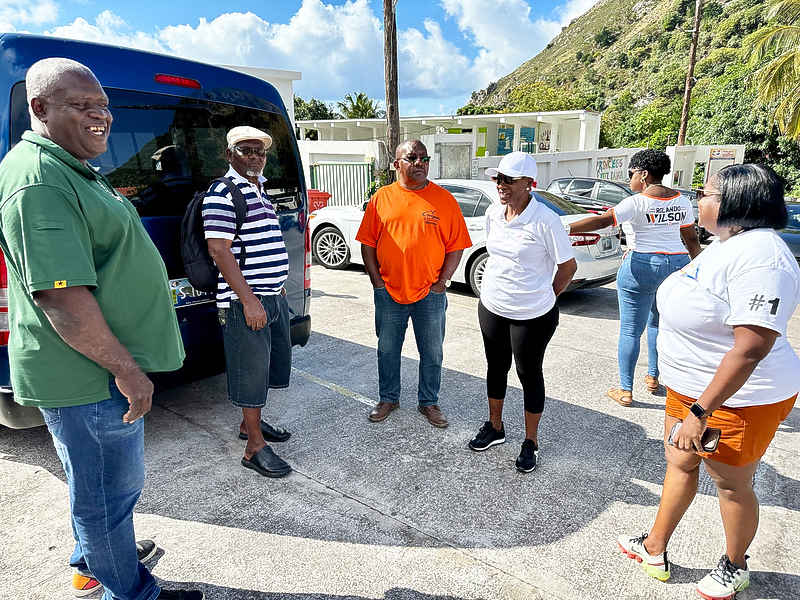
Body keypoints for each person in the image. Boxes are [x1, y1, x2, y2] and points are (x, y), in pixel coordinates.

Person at [0, 58, 202, 599]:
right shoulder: (39, 180)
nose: (100, 117)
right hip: (89, 377)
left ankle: (91, 561)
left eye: (103, 106)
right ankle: (131, 592)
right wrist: (130, 373)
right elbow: (62, 296)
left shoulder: (69, 166)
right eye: (81, 105)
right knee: (109, 495)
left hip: (94, 374)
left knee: (97, 488)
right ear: (39, 108)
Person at [617, 164, 799, 600]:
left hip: (735, 399)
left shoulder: (765, 258)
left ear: (736, 202)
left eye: (706, 192)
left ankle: (735, 564)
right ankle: (655, 545)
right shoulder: (728, 243)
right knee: (679, 463)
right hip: (689, 387)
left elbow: (751, 348)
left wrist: (702, 411)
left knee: (731, 485)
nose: (698, 199)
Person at [467, 152, 577, 473]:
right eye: (497, 178)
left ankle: (531, 441)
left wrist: (547, 295)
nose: (500, 185)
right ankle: (496, 427)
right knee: (495, 367)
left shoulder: (545, 220)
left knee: (529, 374)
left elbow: (568, 266)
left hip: (532, 314)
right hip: (492, 306)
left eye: (508, 180)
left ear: (529, 184)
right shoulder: (493, 213)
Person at [568, 149, 701, 406]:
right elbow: (691, 239)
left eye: (631, 174)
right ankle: (653, 378)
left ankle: (626, 390)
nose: (629, 179)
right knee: (657, 324)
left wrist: (565, 227)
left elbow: (604, 221)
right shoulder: (682, 201)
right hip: (676, 264)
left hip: (641, 263)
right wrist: (698, 270)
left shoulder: (636, 202)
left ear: (643, 174)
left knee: (630, 329)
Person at [356, 140, 472, 428]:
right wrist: (377, 283)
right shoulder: (381, 198)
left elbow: (456, 246)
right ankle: (388, 398)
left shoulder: (444, 200)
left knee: (432, 351)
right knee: (387, 349)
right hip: (389, 293)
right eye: (412, 158)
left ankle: (429, 402)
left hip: (430, 294)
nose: (419, 163)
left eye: (424, 158)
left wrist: (442, 282)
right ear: (397, 164)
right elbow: (368, 244)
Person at [203, 126, 293, 479]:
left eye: (260, 151)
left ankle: (248, 424)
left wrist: (276, 287)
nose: (254, 156)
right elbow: (219, 250)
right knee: (250, 372)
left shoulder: (259, 189)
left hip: (270, 296)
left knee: (268, 367)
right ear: (229, 154)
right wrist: (249, 300)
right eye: (245, 150)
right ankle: (253, 446)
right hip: (245, 304)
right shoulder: (223, 193)